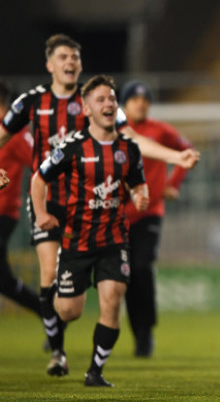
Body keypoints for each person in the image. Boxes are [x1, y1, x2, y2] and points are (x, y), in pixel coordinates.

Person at [0, 34, 199, 377]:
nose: (70, 62)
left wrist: (174, 156)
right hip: (47, 199)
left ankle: (83, 347)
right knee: (48, 274)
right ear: (50, 64)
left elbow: (133, 141)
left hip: (87, 209)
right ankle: (58, 353)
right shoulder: (31, 102)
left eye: (75, 57)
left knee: (80, 302)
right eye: (63, 56)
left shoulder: (96, 101)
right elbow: (2, 135)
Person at [31, 75, 149, 387]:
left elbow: (137, 181)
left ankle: (95, 372)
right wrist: (41, 213)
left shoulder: (129, 149)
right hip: (76, 240)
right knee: (69, 311)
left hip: (113, 238)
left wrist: (139, 194)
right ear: (86, 108)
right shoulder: (70, 147)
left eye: (111, 98)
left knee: (113, 298)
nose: (109, 104)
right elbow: (38, 179)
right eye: (101, 100)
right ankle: (57, 308)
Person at [120, 80, 192, 357]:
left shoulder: (160, 131)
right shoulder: (116, 132)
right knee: (124, 275)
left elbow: (186, 150)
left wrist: (174, 182)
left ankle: (145, 332)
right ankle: (135, 331)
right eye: (135, 99)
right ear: (124, 104)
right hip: (118, 215)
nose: (141, 103)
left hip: (149, 212)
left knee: (141, 267)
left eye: (145, 99)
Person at [0, 79, 40, 316]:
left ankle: (51, 316)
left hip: (3, 214)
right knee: (3, 282)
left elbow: (42, 166)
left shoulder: (16, 134)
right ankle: (50, 315)